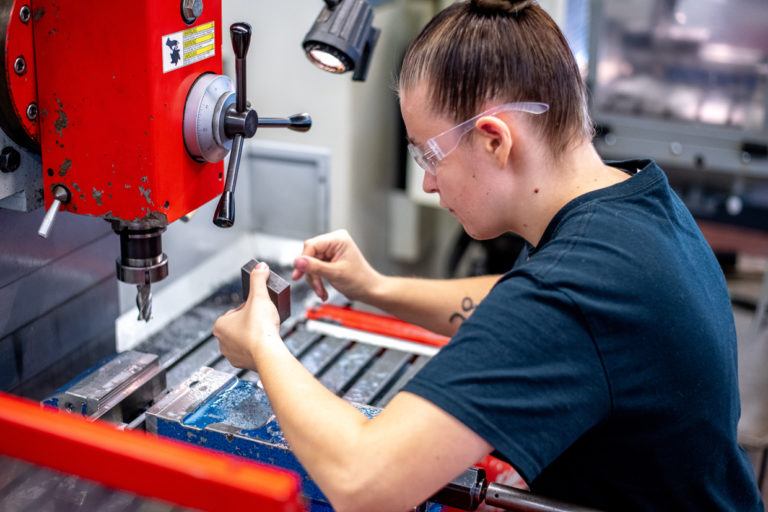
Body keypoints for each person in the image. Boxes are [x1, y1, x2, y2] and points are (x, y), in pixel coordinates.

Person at [213, 0, 764, 510]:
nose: (428, 183)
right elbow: (505, 304)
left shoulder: (576, 288)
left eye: (430, 155)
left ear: (494, 140)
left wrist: (263, 342)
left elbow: (363, 479)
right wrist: (372, 286)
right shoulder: (631, 200)